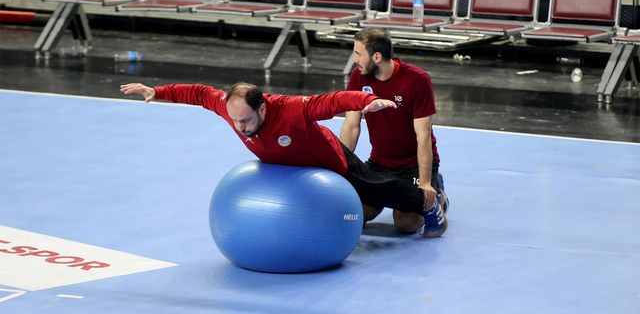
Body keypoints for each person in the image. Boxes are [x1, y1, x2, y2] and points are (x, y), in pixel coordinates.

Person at [120, 81, 447, 237]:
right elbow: (198, 94)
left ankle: (429, 204)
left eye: (246, 121)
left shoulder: (291, 109)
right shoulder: (231, 107)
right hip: (288, 171)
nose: (240, 128)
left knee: (375, 189)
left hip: (330, 162)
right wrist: (159, 92)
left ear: (263, 108)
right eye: (235, 122)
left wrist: (368, 100)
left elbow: (331, 100)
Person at [340, 27, 448, 235]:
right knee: (355, 214)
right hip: (379, 164)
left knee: (405, 223)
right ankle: (384, 195)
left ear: (377, 57)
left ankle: (438, 193)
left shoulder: (417, 80)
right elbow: (352, 125)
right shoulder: (358, 77)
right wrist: (341, 167)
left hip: (413, 167)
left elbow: (423, 136)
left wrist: (425, 182)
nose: (355, 59)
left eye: (358, 53)